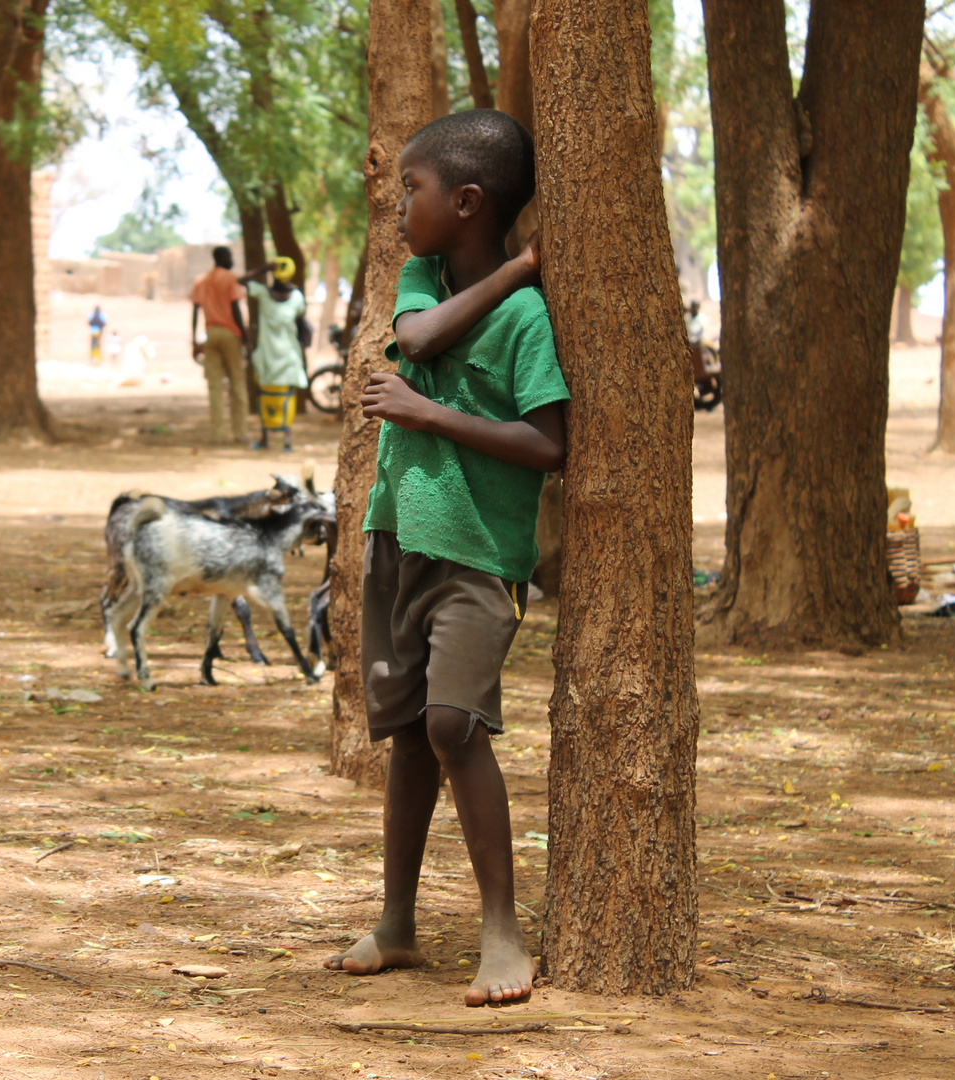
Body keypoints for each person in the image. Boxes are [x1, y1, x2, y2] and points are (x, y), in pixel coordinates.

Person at [324, 109, 568, 1008]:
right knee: (406, 738)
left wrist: (429, 413)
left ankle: (501, 930)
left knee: (453, 726)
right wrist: (514, 265)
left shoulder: (527, 322)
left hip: (476, 555)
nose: (396, 207)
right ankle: (396, 922)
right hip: (399, 540)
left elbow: (547, 445)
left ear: (466, 200)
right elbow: (418, 340)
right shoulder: (422, 277)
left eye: (411, 191)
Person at [241, 256, 309, 452]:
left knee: (266, 397)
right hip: (286, 355)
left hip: (268, 355)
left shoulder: (263, 293)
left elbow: (241, 281)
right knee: (286, 397)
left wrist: (263, 269)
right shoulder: (297, 297)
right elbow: (301, 319)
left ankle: (265, 438)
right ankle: (286, 440)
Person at [189, 246, 249, 444]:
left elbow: (195, 311)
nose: (231, 259)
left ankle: (219, 433)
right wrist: (245, 336)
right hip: (231, 334)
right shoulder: (230, 278)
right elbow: (235, 308)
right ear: (223, 258)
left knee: (214, 386)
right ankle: (240, 433)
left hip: (211, 334)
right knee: (237, 384)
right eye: (230, 256)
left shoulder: (201, 281)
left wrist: (194, 340)